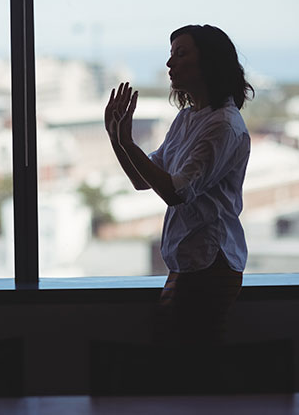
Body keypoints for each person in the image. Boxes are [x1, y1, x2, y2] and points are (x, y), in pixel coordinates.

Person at [105, 24, 253, 347]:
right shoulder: (188, 118)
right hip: (191, 264)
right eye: (171, 55)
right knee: (184, 361)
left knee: (186, 362)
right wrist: (117, 139)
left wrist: (127, 143)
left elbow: (176, 192)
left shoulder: (224, 125)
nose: (170, 64)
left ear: (209, 62)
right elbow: (142, 181)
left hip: (209, 263)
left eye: (181, 54)